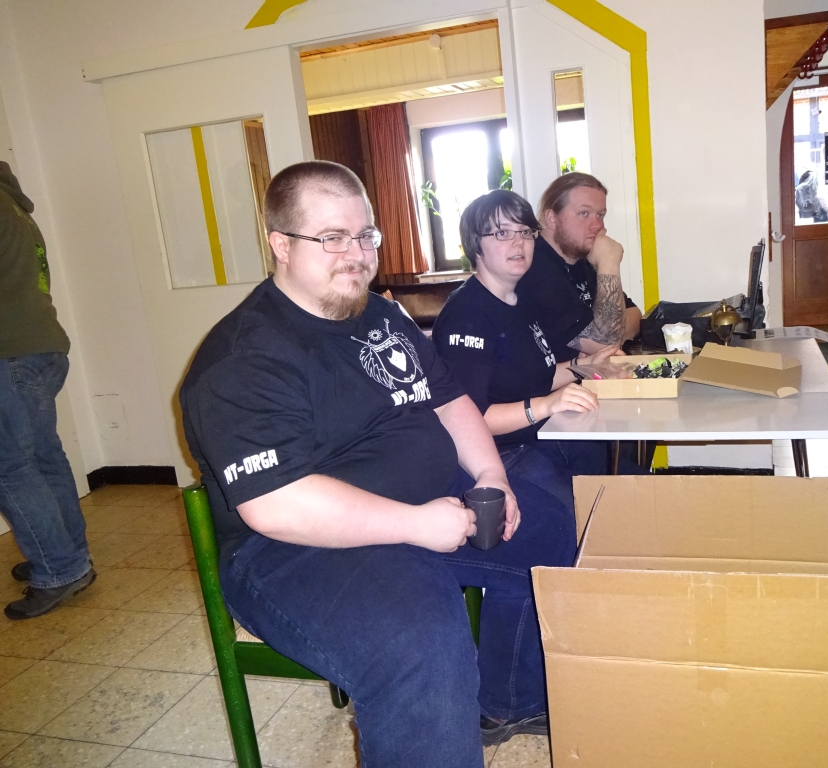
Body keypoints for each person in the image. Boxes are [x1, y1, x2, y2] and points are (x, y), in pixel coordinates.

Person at [179, 161, 576, 768]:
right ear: (280, 245)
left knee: (559, 535)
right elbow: (275, 504)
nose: (357, 253)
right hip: (297, 548)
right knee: (422, 646)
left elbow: (450, 400)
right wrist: (416, 525)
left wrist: (492, 476)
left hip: (426, 504)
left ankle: (505, 702)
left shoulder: (381, 315)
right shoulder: (242, 358)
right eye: (331, 237)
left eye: (365, 235)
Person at [433, 190, 621, 513]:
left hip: (541, 437)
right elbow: (471, 419)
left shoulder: (519, 300)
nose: (518, 243)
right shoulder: (466, 315)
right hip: (502, 455)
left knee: (620, 486)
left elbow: (539, 376)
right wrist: (548, 404)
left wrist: (585, 363)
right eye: (502, 233)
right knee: (584, 517)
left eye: (525, 232)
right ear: (475, 245)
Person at [0, 162, 96, 620]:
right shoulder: (15, 206)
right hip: (41, 346)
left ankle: (58, 568)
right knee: (44, 456)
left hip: (9, 350)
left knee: (10, 467)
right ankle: (69, 553)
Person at [515, 173, 642, 362]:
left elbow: (635, 315)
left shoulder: (581, 256)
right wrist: (609, 262)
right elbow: (606, 343)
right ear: (551, 218)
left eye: (600, 215)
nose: (597, 225)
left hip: (588, 375)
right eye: (584, 213)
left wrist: (608, 336)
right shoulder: (536, 269)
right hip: (556, 381)